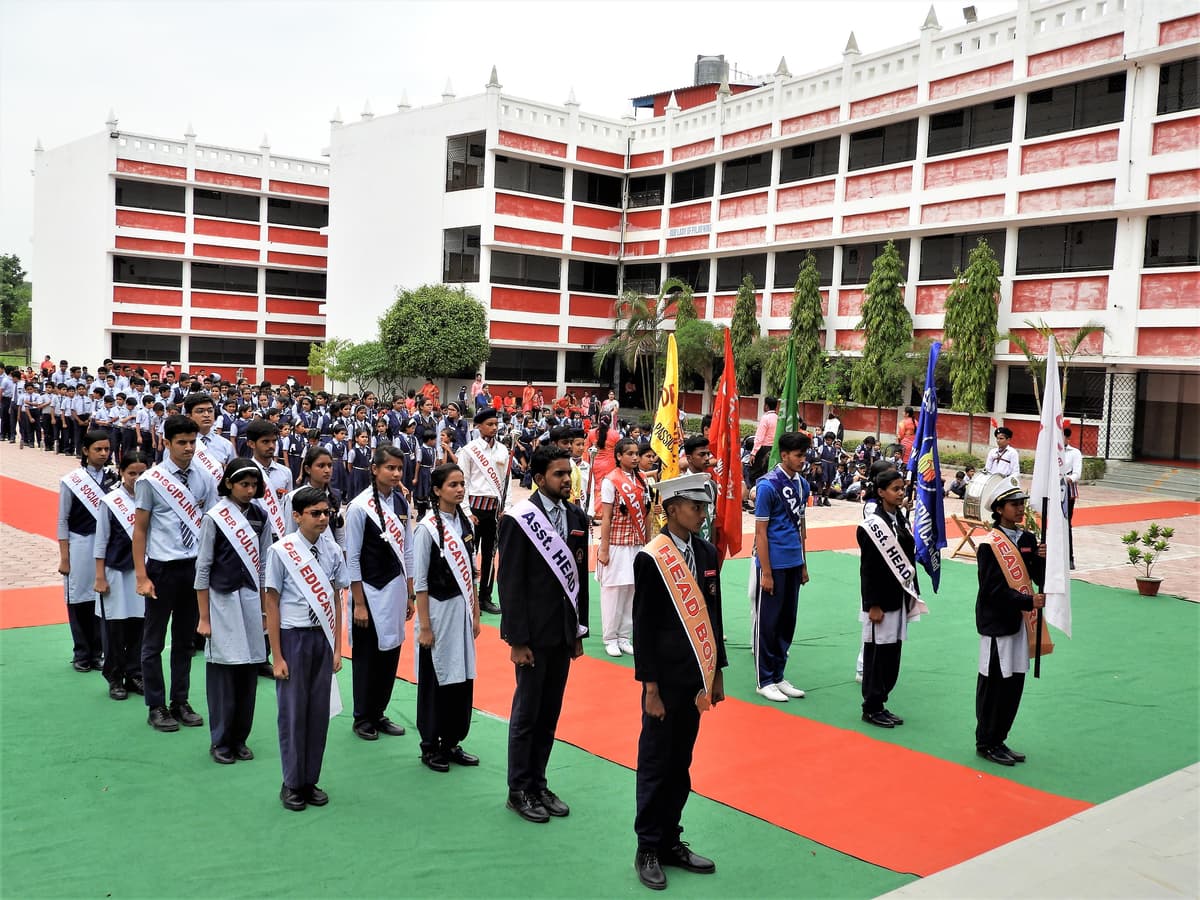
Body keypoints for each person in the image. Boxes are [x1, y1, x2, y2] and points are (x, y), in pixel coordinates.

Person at [631, 472, 727, 891]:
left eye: (704, 507)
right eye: (694, 507)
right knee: (655, 762)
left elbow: (714, 615)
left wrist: (717, 670)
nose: (701, 514)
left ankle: (671, 839)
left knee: (681, 763)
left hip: (696, 677)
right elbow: (644, 626)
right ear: (671, 510)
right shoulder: (652, 557)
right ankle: (647, 847)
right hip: (663, 680)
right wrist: (649, 687)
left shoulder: (706, 553)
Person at [498, 446, 589, 823]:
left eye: (567, 473)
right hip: (532, 636)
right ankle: (518, 788)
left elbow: (579, 580)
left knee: (550, 712)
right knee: (527, 714)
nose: (566, 479)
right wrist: (517, 640)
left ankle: (538, 781)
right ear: (538, 478)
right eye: (558, 474)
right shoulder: (519, 519)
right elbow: (510, 582)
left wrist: (579, 630)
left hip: (562, 634)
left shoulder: (576, 515)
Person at [264, 486, 348, 811]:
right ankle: (291, 782)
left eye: (326, 512)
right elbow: (271, 602)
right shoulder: (282, 551)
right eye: (315, 513)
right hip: (293, 637)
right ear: (297, 516)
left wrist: (339, 647)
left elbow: (337, 600)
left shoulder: (332, 552)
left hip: (322, 638)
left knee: (318, 713)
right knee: (293, 713)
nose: (323, 518)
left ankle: (311, 779)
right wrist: (277, 654)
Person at [134, 414, 218, 732]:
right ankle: (156, 705)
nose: (188, 448)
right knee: (153, 640)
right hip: (162, 568)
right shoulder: (151, 480)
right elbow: (139, 531)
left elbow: (210, 524)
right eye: (181, 442)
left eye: (192, 442)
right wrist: (142, 576)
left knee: (185, 641)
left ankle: (179, 701)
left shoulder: (205, 478)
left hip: (193, 568)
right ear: (166, 443)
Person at [195, 459, 269, 764]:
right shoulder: (215, 517)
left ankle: (240, 738)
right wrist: (203, 617)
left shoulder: (261, 517)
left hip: (251, 602)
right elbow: (203, 567)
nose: (249, 491)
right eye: (243, 485)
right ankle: (220, 740)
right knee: (224, 671)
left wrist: (265, 610)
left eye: (253, 485)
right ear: (228, 484)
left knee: (248, 671)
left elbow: (264, 566)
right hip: (221, 602)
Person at [413, 463, 480, 772]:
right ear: (437, 490)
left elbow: (473, 575)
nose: (459, 489)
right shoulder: (426, 529)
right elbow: (421, 583)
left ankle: (452, 740)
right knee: (436, 677)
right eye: (452, 484)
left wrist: (476, 612)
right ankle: (430, 745)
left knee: (461, 677)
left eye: (462, 484)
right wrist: (424, 626)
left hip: (462, 611)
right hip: (438, 614)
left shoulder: (466, 524)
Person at [974, 475, 1045, 766]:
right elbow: (992, 590)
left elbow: (1036, 579)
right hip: (997, 625)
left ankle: (1000, 738)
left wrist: (1041, 559)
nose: (1020, 509)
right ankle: (986, 741)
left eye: (1022, 504)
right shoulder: (989, 545)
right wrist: (1028, 602)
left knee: (1014, 684)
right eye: (1014, 504)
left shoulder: (1028, 539)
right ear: (999, 508)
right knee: (993, 685)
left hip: (1020, 625)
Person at [345, 444, 415, 741]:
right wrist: (358, 603)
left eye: (400, 468)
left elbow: (409, 551)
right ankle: (362, 716)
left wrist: (411, 593)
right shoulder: (360, 507)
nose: (396, 473)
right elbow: (352, 556)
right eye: (390, 468)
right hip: (369, 592)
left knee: (390, 653)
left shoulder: (402, 503)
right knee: (367, 656)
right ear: (374, 469)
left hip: (396, 590)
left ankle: (379, 711)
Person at [857, 470, 923, 729]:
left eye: (902, 488)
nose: (900, 493)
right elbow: (868, 569)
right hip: (880, 603)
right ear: (881, 492)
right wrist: (872, 604)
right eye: (895, 489)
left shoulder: (901, 520)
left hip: (898, 598)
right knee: (877, 655)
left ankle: (881, 702)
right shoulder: (873, 526)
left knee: (892, 655)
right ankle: (871, 706)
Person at [751, 431, 811, 703]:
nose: (802, 460)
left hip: (793, 562)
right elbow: (760, 533)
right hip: (772, 563)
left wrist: (804, 564)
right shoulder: (767, 486)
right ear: (784, 455)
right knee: (769, 623)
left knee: (788, 622)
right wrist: (766, 572)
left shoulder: (803, 485)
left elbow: (802, 528)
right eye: (798, 455)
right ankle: (764, 680)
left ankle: (778, 674)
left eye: (804, 455)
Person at [58, 428, 117, 673]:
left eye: (106, 449)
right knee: (79, 598)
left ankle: (98, 652)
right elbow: (62, 520)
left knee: (101, 599)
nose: (103, 454)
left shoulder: (114, 480)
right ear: (85, 451)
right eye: (98, 449)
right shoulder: (72, 480)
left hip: (107, 546)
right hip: (80, 543)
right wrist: (64, 557)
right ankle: (81, 652)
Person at [93, 450, 149, 700]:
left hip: (144, 573)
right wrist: (99, 576)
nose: (136, 478)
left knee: (140, 626)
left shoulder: (153, 500)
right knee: (115, 628)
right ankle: (114, 677)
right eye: (131, 473)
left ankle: (135, 673)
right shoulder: (110, 501)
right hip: (116, 572)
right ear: (121, 473)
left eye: (142, 473)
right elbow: (101, 541)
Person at [597, 438, 650, 658]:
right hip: (617, 544)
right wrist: (604, 548)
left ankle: (624, 636)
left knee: (632, 591)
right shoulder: (611, 481)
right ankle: (610, 637)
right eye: (630, 453)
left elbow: (647, 514)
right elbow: (606, 517)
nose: (635, 457)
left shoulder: (642, 480)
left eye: (637, 453)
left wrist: (648, 542)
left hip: (637, 543)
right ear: (619, 456)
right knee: (613, 591)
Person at [458, 408, 509, 615]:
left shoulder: (503, 450)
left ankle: (485, 597)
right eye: (489, 424)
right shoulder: (469, 450)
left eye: (496, 424)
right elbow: (463, 481)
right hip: (474, 509)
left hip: (494, 510)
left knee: (490, 554)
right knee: (469, 554)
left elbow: (506, 483)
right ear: (478, 426)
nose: (494, 428)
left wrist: (506, 507)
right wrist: (466, 510)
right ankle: (468, 597)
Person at [747, 396, 779, 500]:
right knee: (770, 475)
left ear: (766, 406)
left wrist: (753, 453)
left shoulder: (765, 418)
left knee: (755, 475)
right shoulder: (778, 418)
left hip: (763, 449)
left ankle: (757, 499)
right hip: (774, 450)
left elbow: (759, 437)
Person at [1063, 427, 1083, 569]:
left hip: (1067, 491)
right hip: (1053, 491)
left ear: (1068, 439)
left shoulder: (1074, 453)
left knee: (1066, 524)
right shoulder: (1052, 452)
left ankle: (1069, 558)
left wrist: (1067, 478)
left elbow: (1077, 474)